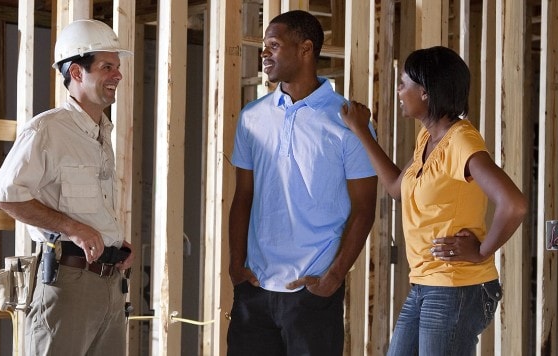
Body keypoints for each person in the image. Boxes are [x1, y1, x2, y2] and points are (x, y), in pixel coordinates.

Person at [341, 46, 528, 355]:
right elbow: (397, 189)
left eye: (404, 84)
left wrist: (482, 251)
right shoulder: (428, 138)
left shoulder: (461, 141)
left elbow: (514, 204)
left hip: (457, 287)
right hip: (427, 285)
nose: (399, 91)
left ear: (425, 91)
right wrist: (362, 131)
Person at [226, 9, 378, 356]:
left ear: (305, 49)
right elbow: (243, 196)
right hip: (255, 290)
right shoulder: (252, 117)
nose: (264, 53)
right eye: (264, 45)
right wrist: (236, 265)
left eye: (274, 45)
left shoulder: (347, 122)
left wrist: (334, 276)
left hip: (312, 292)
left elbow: (365, 208)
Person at [0, 19, 135, 355]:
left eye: (118, 67)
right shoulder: (48, 130)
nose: (118, 75)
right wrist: (74, 229)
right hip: (69, 283)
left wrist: (111, 238)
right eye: (107, 66)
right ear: (77, 72)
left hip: (110, 284)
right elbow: (6, 195)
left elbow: (83, 201)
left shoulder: (101, 132)